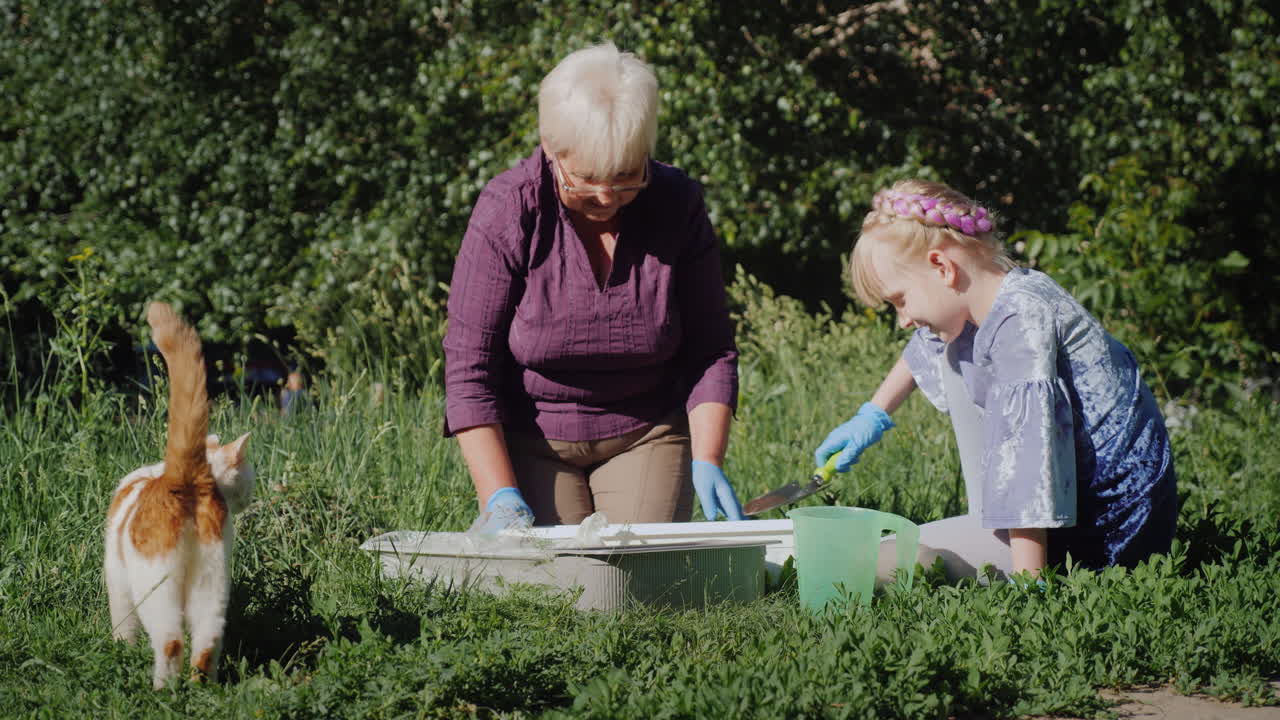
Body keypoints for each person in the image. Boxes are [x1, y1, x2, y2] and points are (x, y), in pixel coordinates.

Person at [443, 42, 744, 534]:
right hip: (532, 435)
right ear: (550, 148)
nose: (607, 196)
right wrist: (498, 495)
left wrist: (708, 457)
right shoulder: (508, 210)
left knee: (633, 577)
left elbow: (711, 351)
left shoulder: (678, 205)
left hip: (646, 431)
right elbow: (468, 368)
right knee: (558, 583)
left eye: (627, 176)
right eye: (586, 178)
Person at [815, 179, 1177, 581]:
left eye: (900, 300)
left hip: (1108, 532)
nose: (902, 319)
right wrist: (871, 416)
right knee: (949, 343)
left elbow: (1029, 456)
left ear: (941, 266)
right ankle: (989, 533)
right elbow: (924, 348)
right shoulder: (991, 298)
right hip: (1073, 509)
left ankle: (1015, 559)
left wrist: (1030, 583)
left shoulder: (1021, 321)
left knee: (881, 563)